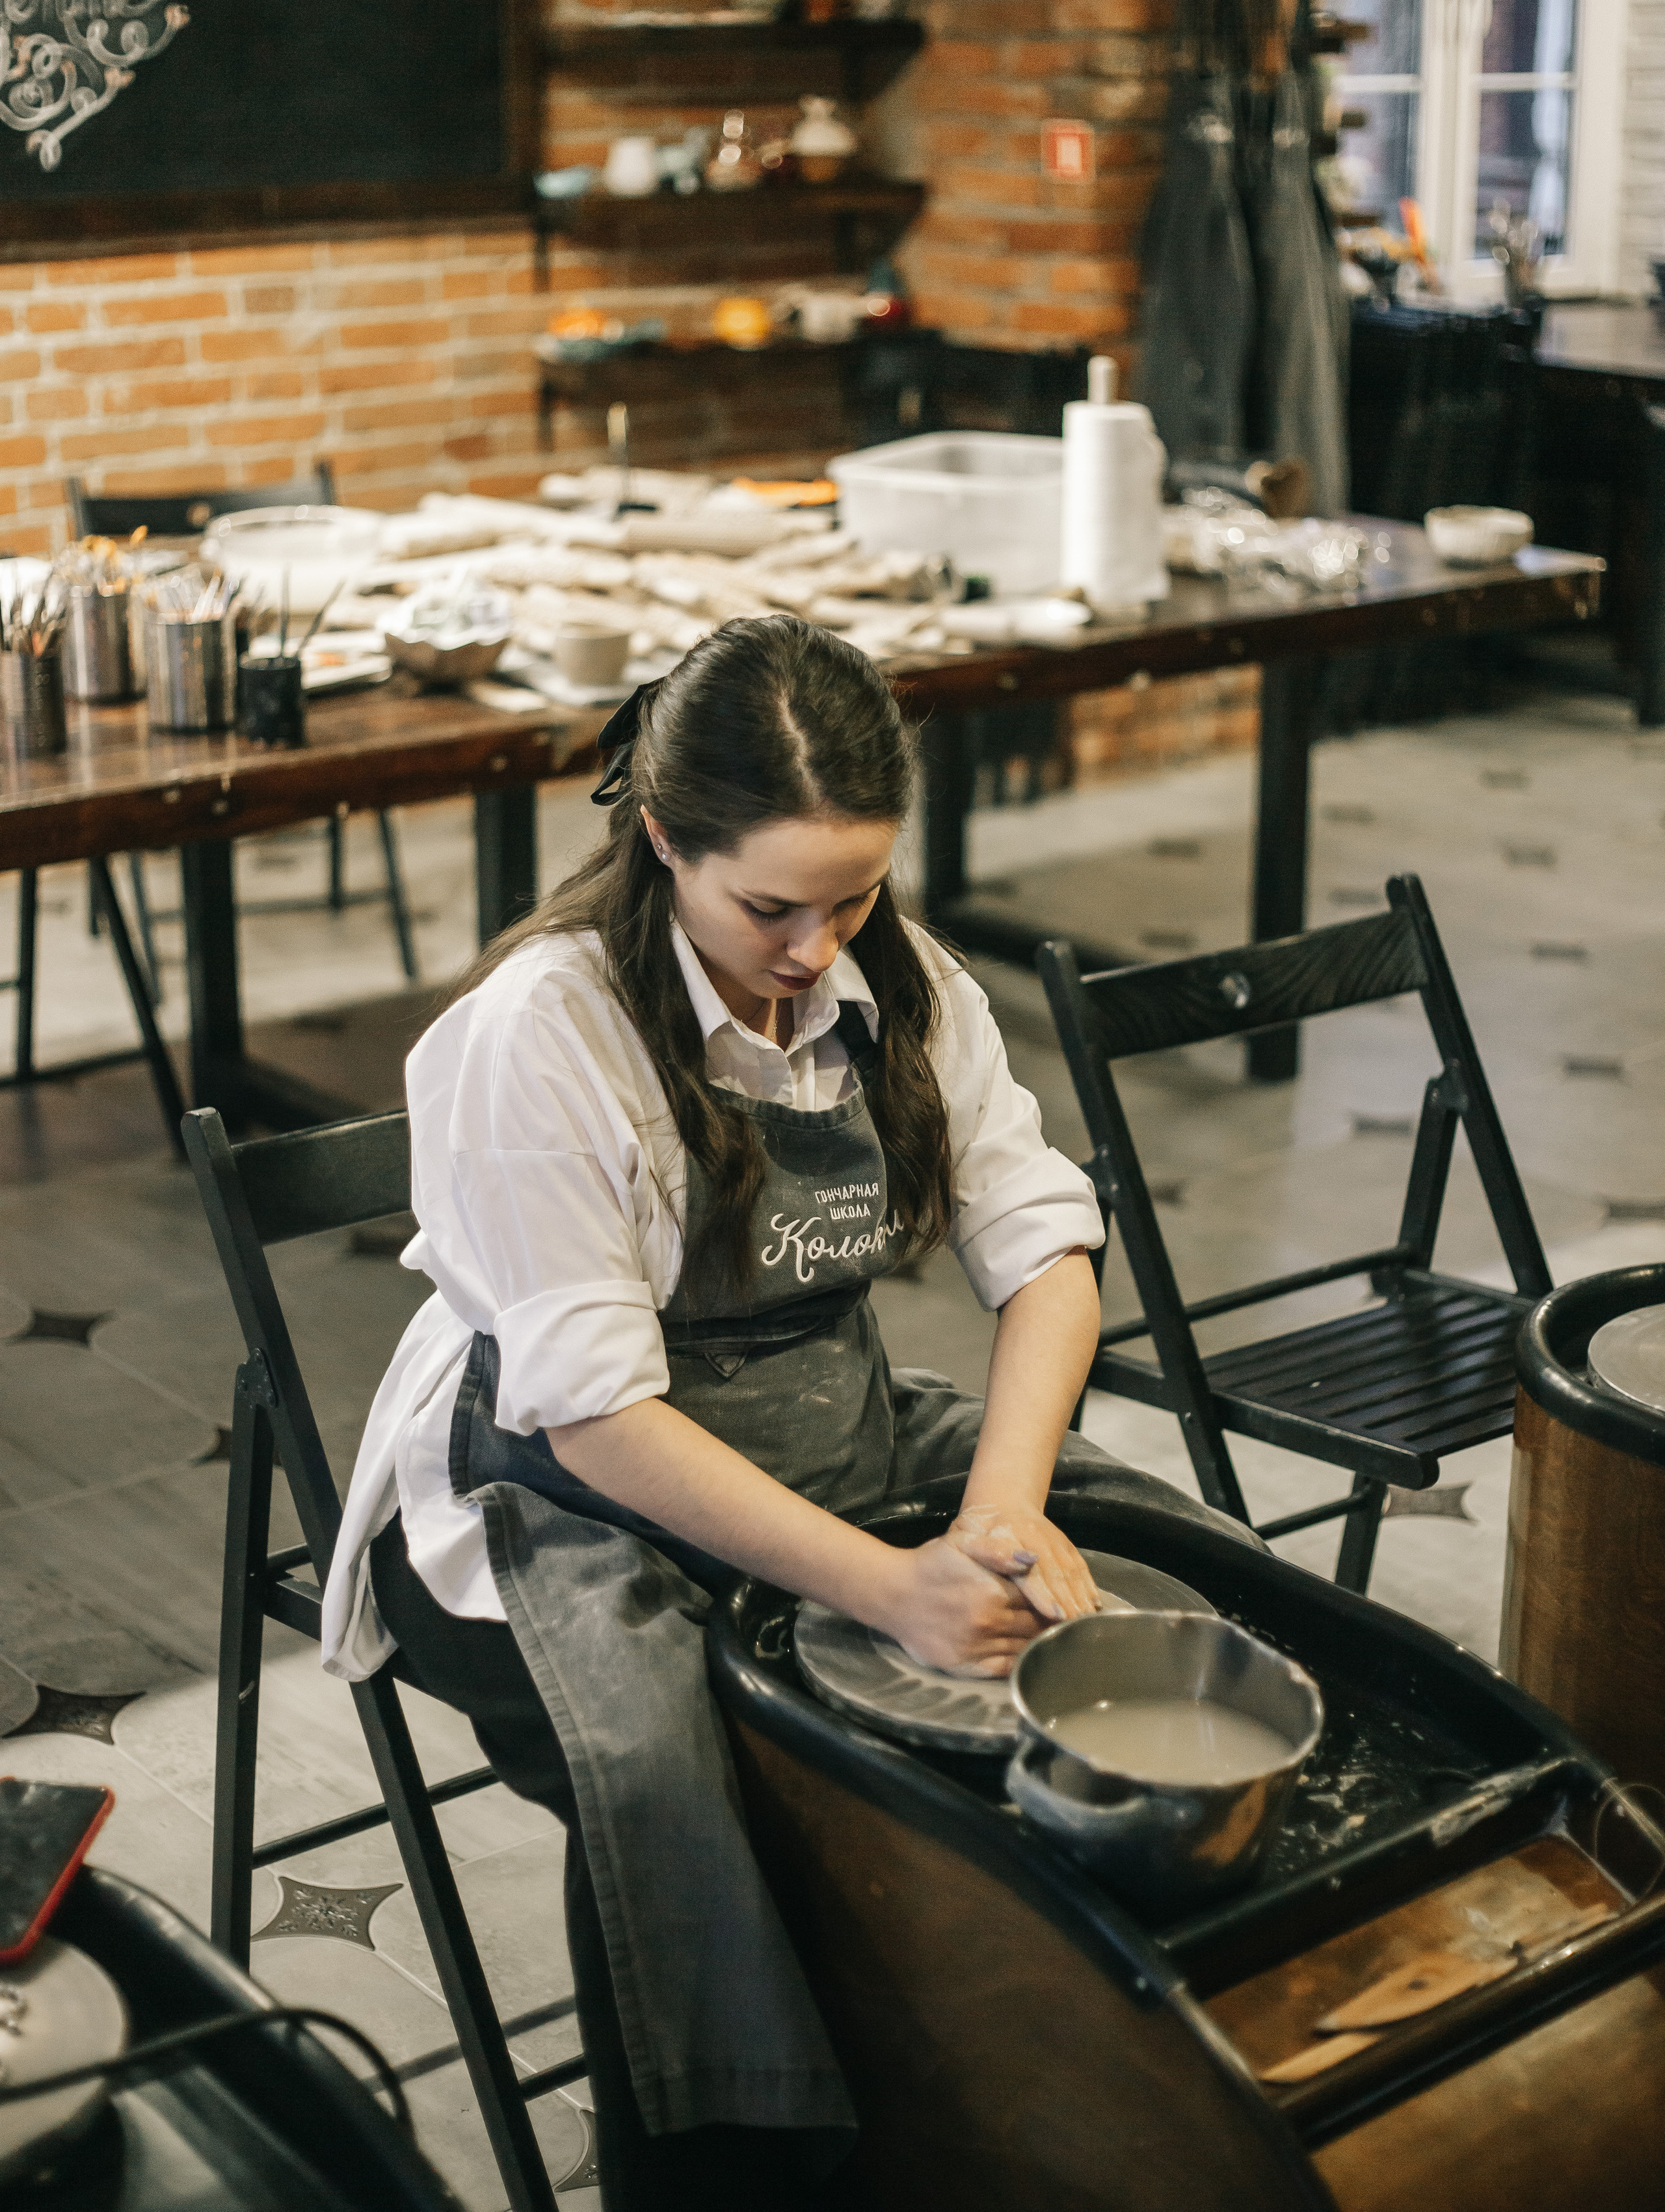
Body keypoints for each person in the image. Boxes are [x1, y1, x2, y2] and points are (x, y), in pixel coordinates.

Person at [323, 615, 1245, 2209]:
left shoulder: (902, 984)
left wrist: (1001, 1512)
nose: (817, 948)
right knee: (692, 1774)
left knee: (1182, 1561)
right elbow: (597, 1418)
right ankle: (732, 2168)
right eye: (769, 908)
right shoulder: (542, 1035)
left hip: (828, 1416)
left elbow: (1046, 1257)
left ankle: (1012, 2092)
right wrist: (890, 1587)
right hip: (552, 1496)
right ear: (662, 836)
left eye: (854, 897)